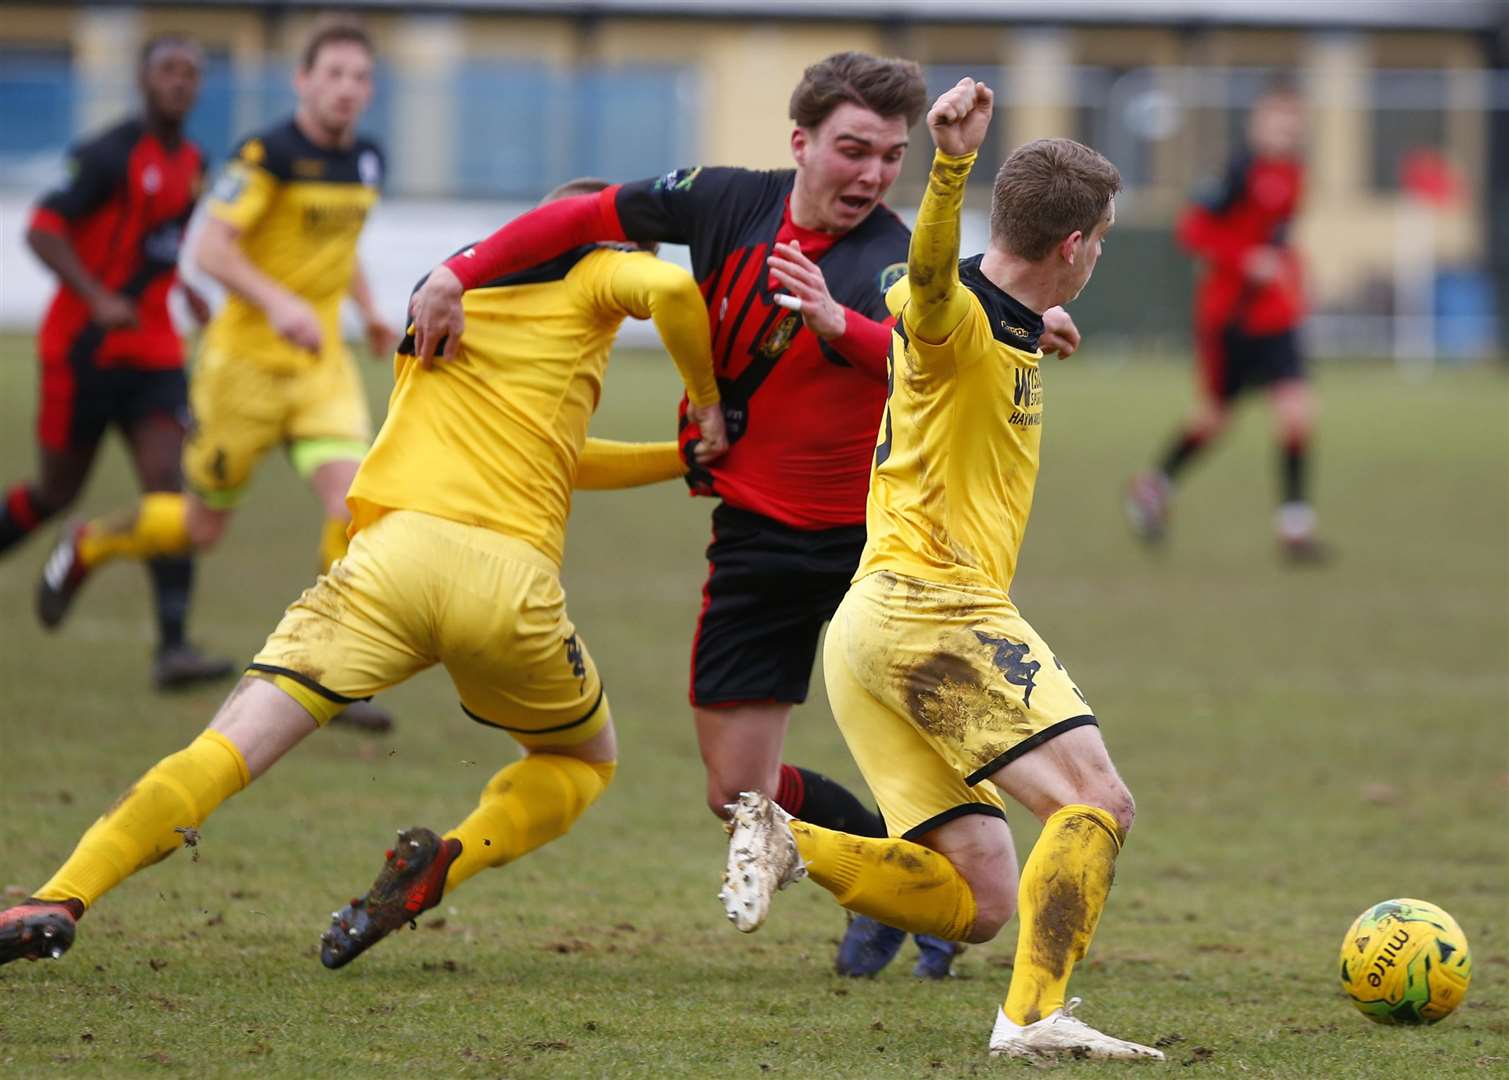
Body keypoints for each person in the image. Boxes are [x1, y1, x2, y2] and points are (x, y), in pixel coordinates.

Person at [406, 50, 1082, 978]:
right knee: (737, 797)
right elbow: (584, 214)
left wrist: (859, 324)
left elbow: (928, 348)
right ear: (799, 141)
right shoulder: (723, 202)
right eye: (853, 150)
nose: (872, 175)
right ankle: (887, 886)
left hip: (874, 553)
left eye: (890, 157)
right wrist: (456, 271)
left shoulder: (887, 257)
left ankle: (936, 891)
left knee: (928, 774)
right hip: (757, 537)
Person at [0, 177, 728, 972]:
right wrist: (707, 406)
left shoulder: (449, 294)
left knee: (219, 753)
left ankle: (60, 895)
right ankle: (449, 857)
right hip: (505, 588)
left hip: (386, 565)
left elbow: (561, 457)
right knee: (582, 762)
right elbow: (668, 287)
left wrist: (674, 461)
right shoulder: (600, 269)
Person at [716, 79, 1165, 1061]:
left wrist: (1032, 328)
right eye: (1102, 239)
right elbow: (926, 292)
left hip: (871, 629)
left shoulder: (997, 322)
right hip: (935, 613)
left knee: (979, 900)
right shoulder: (953, 315)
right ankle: (1033, 1022)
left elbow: (920, 302)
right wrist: (950, 162)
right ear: (1075, 246)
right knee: (1100, 805)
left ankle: (795, 839)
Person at [34, 18, 401, 727]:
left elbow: (339, 243)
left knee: (357, 508)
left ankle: (334, 674)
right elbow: (210, 248)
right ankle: (93, 541)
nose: (347, 90)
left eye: (360, 78)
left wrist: (368, 311)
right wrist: (279, 302)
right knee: (201, 529)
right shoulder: (266, 156)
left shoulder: (368, 161)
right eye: (334, 75)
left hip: (319, 369)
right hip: (244, 373)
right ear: (303, 81)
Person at [0, 35, 231, 690]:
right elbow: (41, 227)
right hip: (84, 353)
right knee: (55, 492)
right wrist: (96, 297)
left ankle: (174, 647)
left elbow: (169, 243)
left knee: (172, 490)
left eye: (192, 72)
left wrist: (188, 290)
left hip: (154, 353)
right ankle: (71, 553)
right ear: (142, 79)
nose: (180, 82)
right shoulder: (106, 154)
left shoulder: (194, 162)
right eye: (169, 70)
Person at [1126, 85, 1324, 561]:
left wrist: (1294, 276)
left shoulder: (1295, 174)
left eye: (1293, 118)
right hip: (1229, 319)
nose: (1287, 128)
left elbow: (1277, 241)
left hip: (1276, 316)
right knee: (1214, 418)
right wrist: (1243, 260)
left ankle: (1294, 526)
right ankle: (1153, 486)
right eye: (1278, 118)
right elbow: (1191, 229)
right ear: (1257, 121)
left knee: (1297, 411)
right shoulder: (1236, 172)